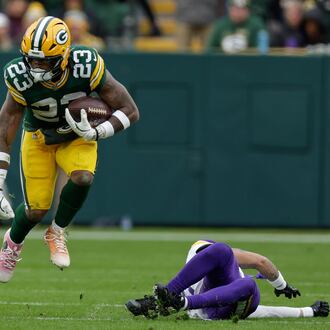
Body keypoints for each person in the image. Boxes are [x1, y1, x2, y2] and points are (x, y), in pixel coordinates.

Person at [0, 16, 139, 283]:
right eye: (31, 59)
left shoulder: (86, 64)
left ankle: (57, 231)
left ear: (63, 57)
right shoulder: (18, 75)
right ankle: (12, 244)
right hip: (39, 138)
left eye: (44, 60)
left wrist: (98, 132)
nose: (36, 67)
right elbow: (6, 123)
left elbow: (130, 110)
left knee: (83, 177)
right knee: (35, 211)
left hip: (77, 135)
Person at [126, 240, 329, 320]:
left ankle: (160, 300)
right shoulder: (218, 256)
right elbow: (261, 262)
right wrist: (282, 286)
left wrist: (309, 312)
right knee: (247, 282)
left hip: (202, 301)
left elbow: (265, 311)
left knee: (241, 276)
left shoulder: (200, 255)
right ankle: (174, 301)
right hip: (212, 306)